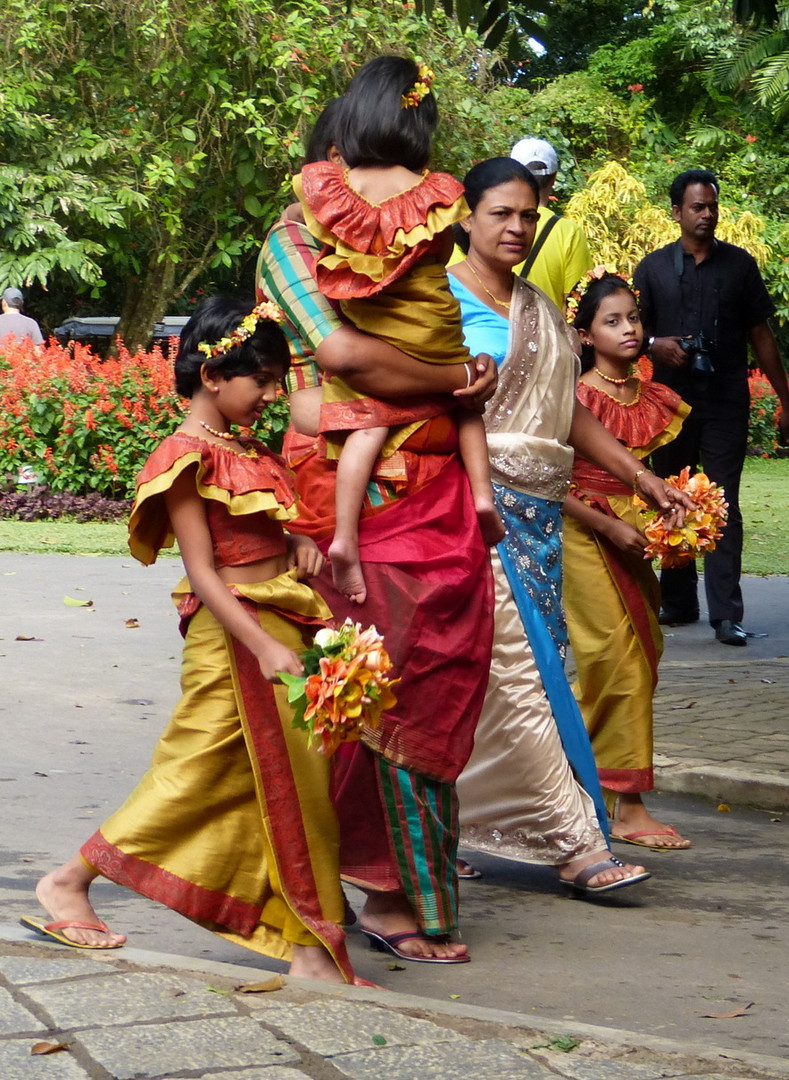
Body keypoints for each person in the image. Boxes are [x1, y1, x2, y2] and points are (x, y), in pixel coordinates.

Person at [23, 296, 356, 984]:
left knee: (287, 779)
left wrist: (297, 544)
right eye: (261, 380)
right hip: (235, 635)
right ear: (213, 377)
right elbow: (204, 573)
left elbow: (269, 523)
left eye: (275, 379)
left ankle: (306, 946)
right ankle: (66, 883)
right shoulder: (184, 455)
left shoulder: (248, 449)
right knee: (199, 775)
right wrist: (263, 646)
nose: (271, 395)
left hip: (278, 620)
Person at [261, 98, 498, 966]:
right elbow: (343, 356)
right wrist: (451, 379)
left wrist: (461, 382)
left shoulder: (424, 228)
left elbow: (437, 333)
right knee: (367, 686)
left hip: (438, 484)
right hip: (343, 489)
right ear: (328, 166)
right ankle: (377, 880)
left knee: (437, 681)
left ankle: (413, 867)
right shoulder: (289, 245)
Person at [450, 159, 693, 891]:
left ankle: (441, 822)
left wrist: (641, 477)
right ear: (467, 218)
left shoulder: (540, 304)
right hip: (472, 508)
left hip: (542, 517)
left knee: (526, 670)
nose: (518, 227)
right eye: (501, 213)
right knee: (521, 674)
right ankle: (576, 843)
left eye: (528, 214)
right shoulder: (438, 300)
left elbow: (570, 410)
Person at [293, 57, 499, 606]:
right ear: (420, 123)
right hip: (434, 332)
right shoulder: (436, 191)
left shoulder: (330, 194)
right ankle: (484, 497)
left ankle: (343, 537)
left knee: (364, 427)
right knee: (467, 403)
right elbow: (451, 240)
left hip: (375, 332)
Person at [633, 169, 789, 646]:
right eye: (697, 207)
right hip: (669, 404)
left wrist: (786, 403)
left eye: (711, 206)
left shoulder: (739, 266)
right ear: (677, 212)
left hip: (726, 400)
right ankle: (678, 601)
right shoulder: (653, 268)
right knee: (670, 496)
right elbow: (626, 331)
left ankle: (726, 614)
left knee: (723, 500)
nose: (706, 215)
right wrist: (655, 344)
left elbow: (761, 336)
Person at [562, 272, 693, 850]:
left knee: (641, 654)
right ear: (585, 335)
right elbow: (546, 480)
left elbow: (643, 477)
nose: (629, 330)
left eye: (633, 318)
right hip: (583, 530)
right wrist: (608, 524)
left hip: (634, 533)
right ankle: (626, 803)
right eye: (611, 321)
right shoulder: (573, 396)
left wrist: (675, 507)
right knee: (615, 660)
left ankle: (571, 786)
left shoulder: (651, 394)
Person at [508, 136, 593, 306]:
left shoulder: (486, 223)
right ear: (554, 178)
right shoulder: (569, 233)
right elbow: (578, 303)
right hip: (547, 331)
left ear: (511, 176)